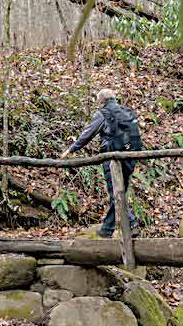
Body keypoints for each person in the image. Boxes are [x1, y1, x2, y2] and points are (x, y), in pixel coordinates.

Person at [60, 88, 141, 237]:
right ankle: (107, 229)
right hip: (131, 157)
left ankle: (132, 223)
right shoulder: (127, 112)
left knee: (116, 193)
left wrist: (71, 149)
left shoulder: (103, 114)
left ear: (101, 101)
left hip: (112, 159)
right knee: (118, 193)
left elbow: (88, 134)